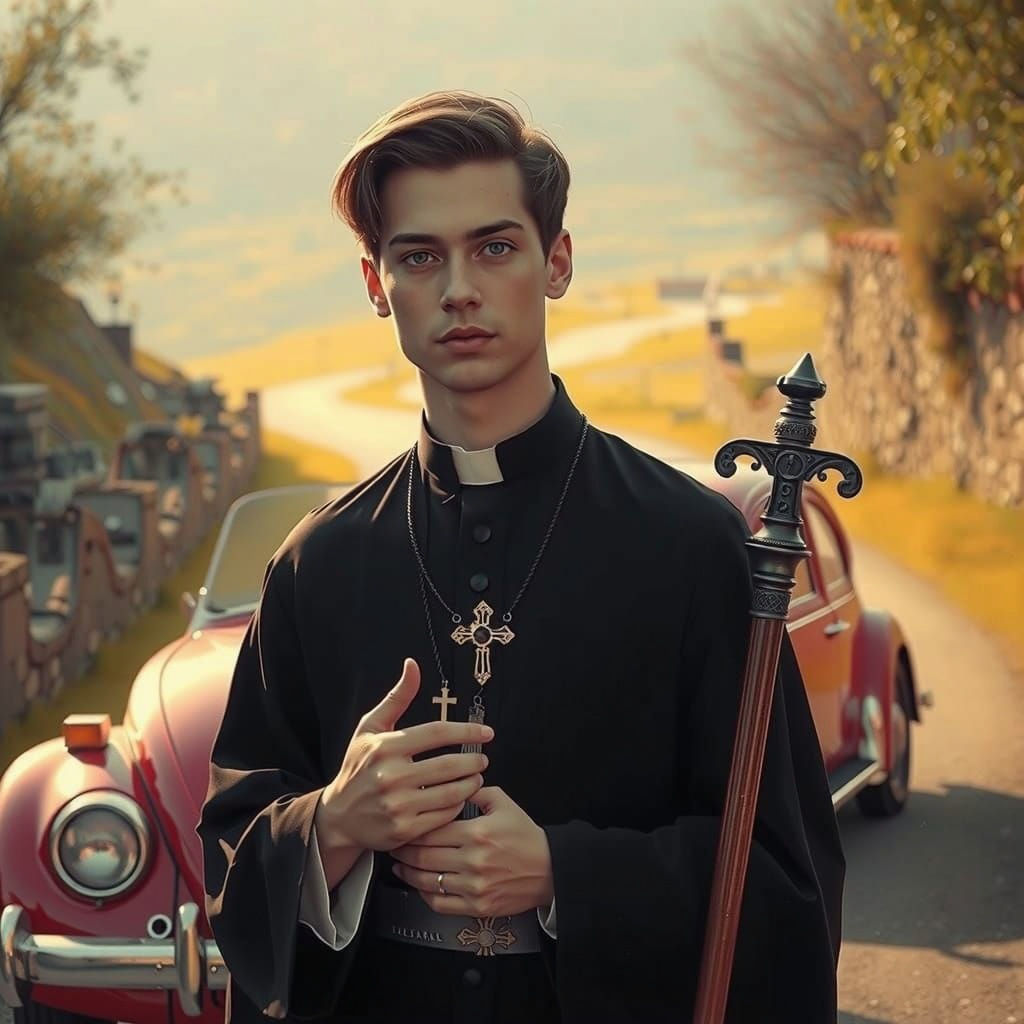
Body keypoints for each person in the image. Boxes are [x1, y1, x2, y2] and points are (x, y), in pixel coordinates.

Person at [196, 89, 845, 1024]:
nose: (459, 287)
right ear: (378, 286)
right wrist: (333, 824)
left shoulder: (691, 548)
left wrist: (564, 874)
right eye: (419, 256)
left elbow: (788, 878)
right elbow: (231, 849)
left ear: (557, 262)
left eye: (494, 247)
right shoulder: (319, 564)